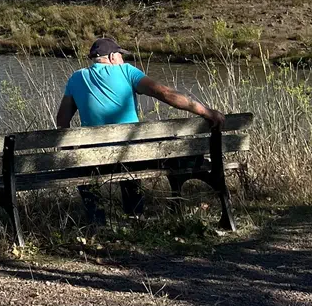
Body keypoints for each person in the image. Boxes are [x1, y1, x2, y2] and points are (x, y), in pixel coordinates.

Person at [56, 36, 225, 223]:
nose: (123, 59)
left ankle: (97, 221)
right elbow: (165, 93)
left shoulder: (76, 77)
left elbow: (62, 120)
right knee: (136, 153)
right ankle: (135, 215)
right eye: (121, 55)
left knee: (86, 164)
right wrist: (206, 112)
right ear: (112, 57)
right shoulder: (127, 71)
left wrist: (69, 150)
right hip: (132, 156)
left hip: (94, 159)